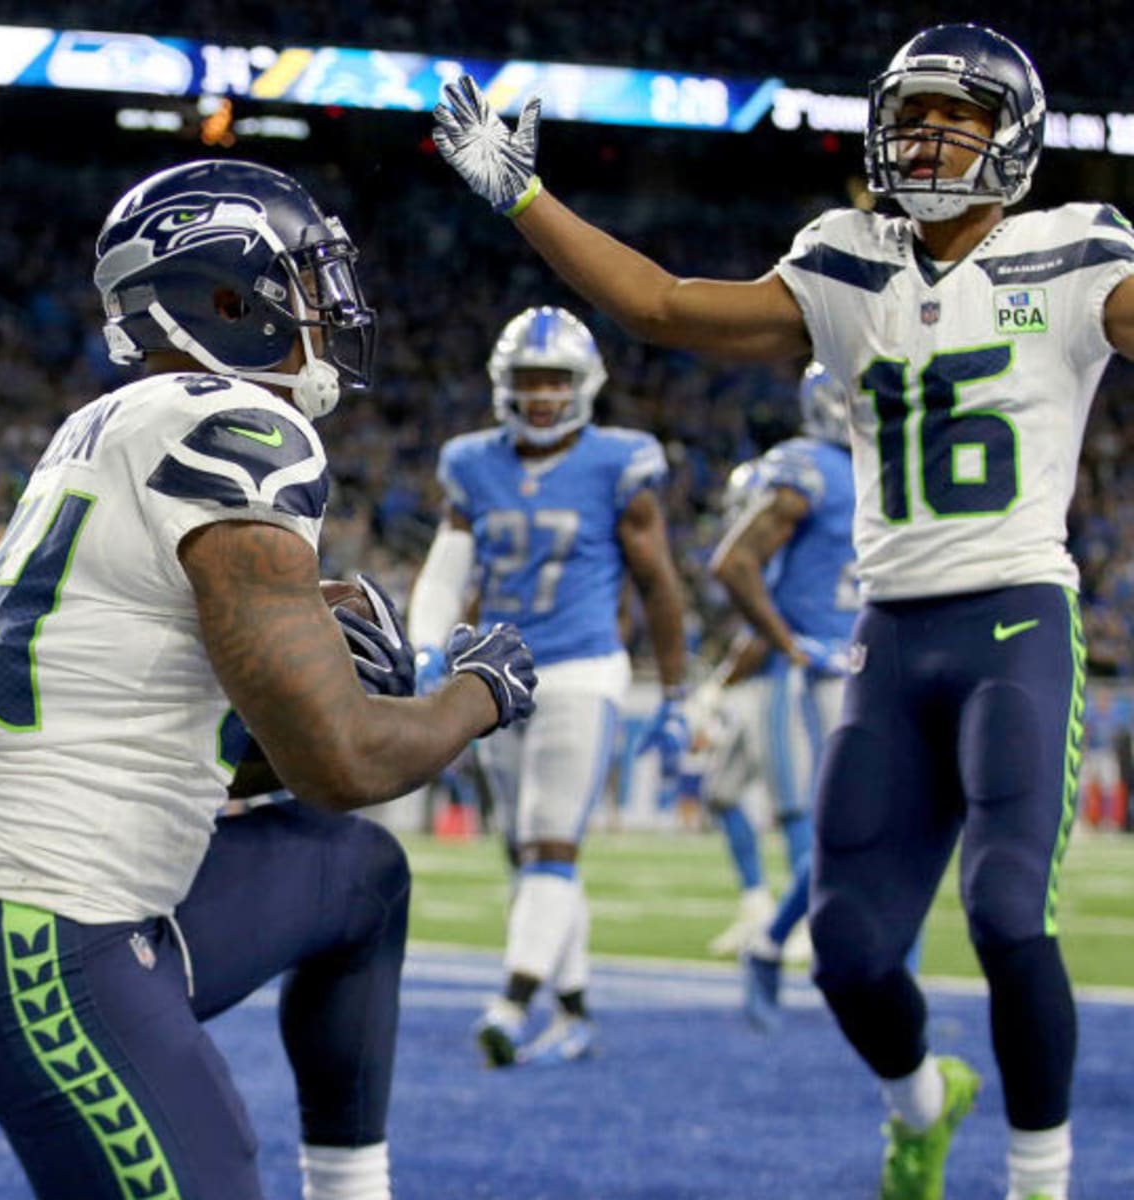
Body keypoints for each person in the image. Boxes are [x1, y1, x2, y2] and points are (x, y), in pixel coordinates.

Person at [431, 23, 1134, 1199]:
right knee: (850, 956)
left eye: (956, 118)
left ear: (1011, 138)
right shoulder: (843, 260)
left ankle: (1039, 1179)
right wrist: (525, 199)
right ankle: (921, 1101)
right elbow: (658, 303)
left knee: (1010, 913)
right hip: (889, 635)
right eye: (912, 114)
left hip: (1017, 617)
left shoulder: (1076, 251)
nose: (927, 137)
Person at [0, 158, 538, 1200]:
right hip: (41, 932)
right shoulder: (236, 429)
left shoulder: (114, 425)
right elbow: (341, 761)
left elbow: (156, 719)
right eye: (308, 278)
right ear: (226, 299)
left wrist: (295, 657)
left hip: (74, 900)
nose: (332, 306)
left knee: (358, 877)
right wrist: (477, 691)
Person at [408, 304, 688, 1067]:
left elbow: (660, 584)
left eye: (555, 380)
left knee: (550, 840)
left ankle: (512, 1003)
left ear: (584, 385)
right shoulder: (471, 462)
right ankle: (574, 1009)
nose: (541, 396)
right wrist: (430, 648)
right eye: (529, 380)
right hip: (496, 674)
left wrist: (675, 692)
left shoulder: (620, 463)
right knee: (522, 851)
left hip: (580, 666)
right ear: (505, 385)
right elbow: (449, 562)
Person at [702, 362, 858, 1031]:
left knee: (875, 826)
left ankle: (779, 936)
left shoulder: (892, 461)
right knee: (828, 822)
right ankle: (784, 933)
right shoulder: (808, 467)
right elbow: (737, 563)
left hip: (868, 661)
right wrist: (788, 644)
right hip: (813, 668)